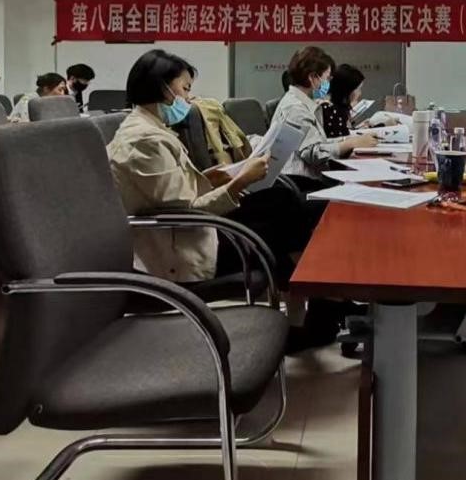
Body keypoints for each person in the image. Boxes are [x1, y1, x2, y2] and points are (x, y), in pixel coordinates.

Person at [108, 49, 340, 350]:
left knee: (287, 202)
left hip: (190, 232)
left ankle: (320, 311)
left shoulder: (149, 129)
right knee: (294, 218)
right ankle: (326, 307)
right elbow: (186, 211)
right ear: (163, 88)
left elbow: (174, 192)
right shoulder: (144, 140)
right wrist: (241, 181)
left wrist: (218, 176)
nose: (189, 98)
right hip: (180, 249)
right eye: (184, 89)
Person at [272, 47, 378, 187]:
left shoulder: (300, 102)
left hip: (308, 177)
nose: (328, 84)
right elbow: (313, 154)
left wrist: (349, 140)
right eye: (327, 78)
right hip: (302, 182)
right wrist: (350, 144)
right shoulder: (295, 108)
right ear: (312, 78)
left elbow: (319, 143)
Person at [321, 64, 364, 138]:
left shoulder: (339, 108)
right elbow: (340, 138)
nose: (360, 93)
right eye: (358, 89)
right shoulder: (330, 110)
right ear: (348, 90)